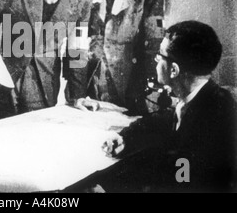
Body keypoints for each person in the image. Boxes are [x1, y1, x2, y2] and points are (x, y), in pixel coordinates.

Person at [99, 21, 237, 192]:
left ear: (174, 70)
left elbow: (180, 179)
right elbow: (163, 120)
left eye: (159, 57)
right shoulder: (201, 99)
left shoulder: (215, 116)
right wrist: (125, 138)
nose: (156, 63)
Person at [86, 0, 165, 115]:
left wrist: (149, 84)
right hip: (93, 73)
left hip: (129, 75)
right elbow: (78, 34)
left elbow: (155, 38)